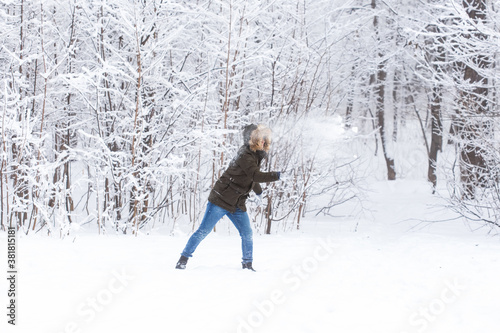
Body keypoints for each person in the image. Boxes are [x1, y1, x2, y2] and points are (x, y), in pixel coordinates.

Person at [175, 124, 281, 271]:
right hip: (221, 200)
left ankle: (247, 265)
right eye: (260, 138)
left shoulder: (255, 156)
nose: (263, 141)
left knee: (247, 233)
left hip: (237, 203)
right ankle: (183, 260)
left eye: (265, 139)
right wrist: (277, 176)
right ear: (253, 139)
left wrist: (258, 192)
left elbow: (251, 177)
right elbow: (255, 175)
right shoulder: (245, 154)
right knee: (203, 231)